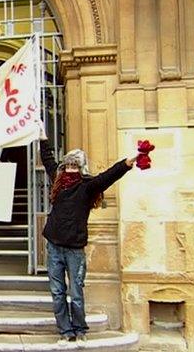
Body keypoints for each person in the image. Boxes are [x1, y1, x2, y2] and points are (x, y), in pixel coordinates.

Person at [39, 131, 136, 347]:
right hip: (54, 246)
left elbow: (109, 176)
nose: (71, 170)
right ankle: (65, 332)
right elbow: (47, 158)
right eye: (69, 165)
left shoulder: (87, 187)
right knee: (57, 292)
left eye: (75, 166)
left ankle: (80, 331)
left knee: (76, 292)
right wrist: (43, 136)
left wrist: (128, 162)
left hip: (74, 250)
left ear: (81, 168)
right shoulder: (58, 181)